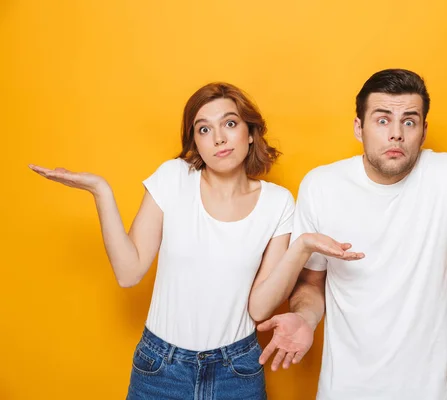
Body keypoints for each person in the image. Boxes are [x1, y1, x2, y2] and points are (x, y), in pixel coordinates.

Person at [29, 82, 363, 400]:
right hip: (160, 368)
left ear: (250, 133)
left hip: (238, 370)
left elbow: (259, 308)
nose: (218, 138)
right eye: (204, 129)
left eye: (229, 123)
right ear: (196, 142)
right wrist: (100, 190)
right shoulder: (174, 178)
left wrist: (302, 246)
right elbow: (128, 273)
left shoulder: (278, 203)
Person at [257, 69, 447, 399]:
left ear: (423, 130)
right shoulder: (321, 186)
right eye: (382, 120)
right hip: (347, 388)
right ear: (359, 128)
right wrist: (305, 318)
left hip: (431, 389)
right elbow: (310, 285)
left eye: (409, 121)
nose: (396, 134)